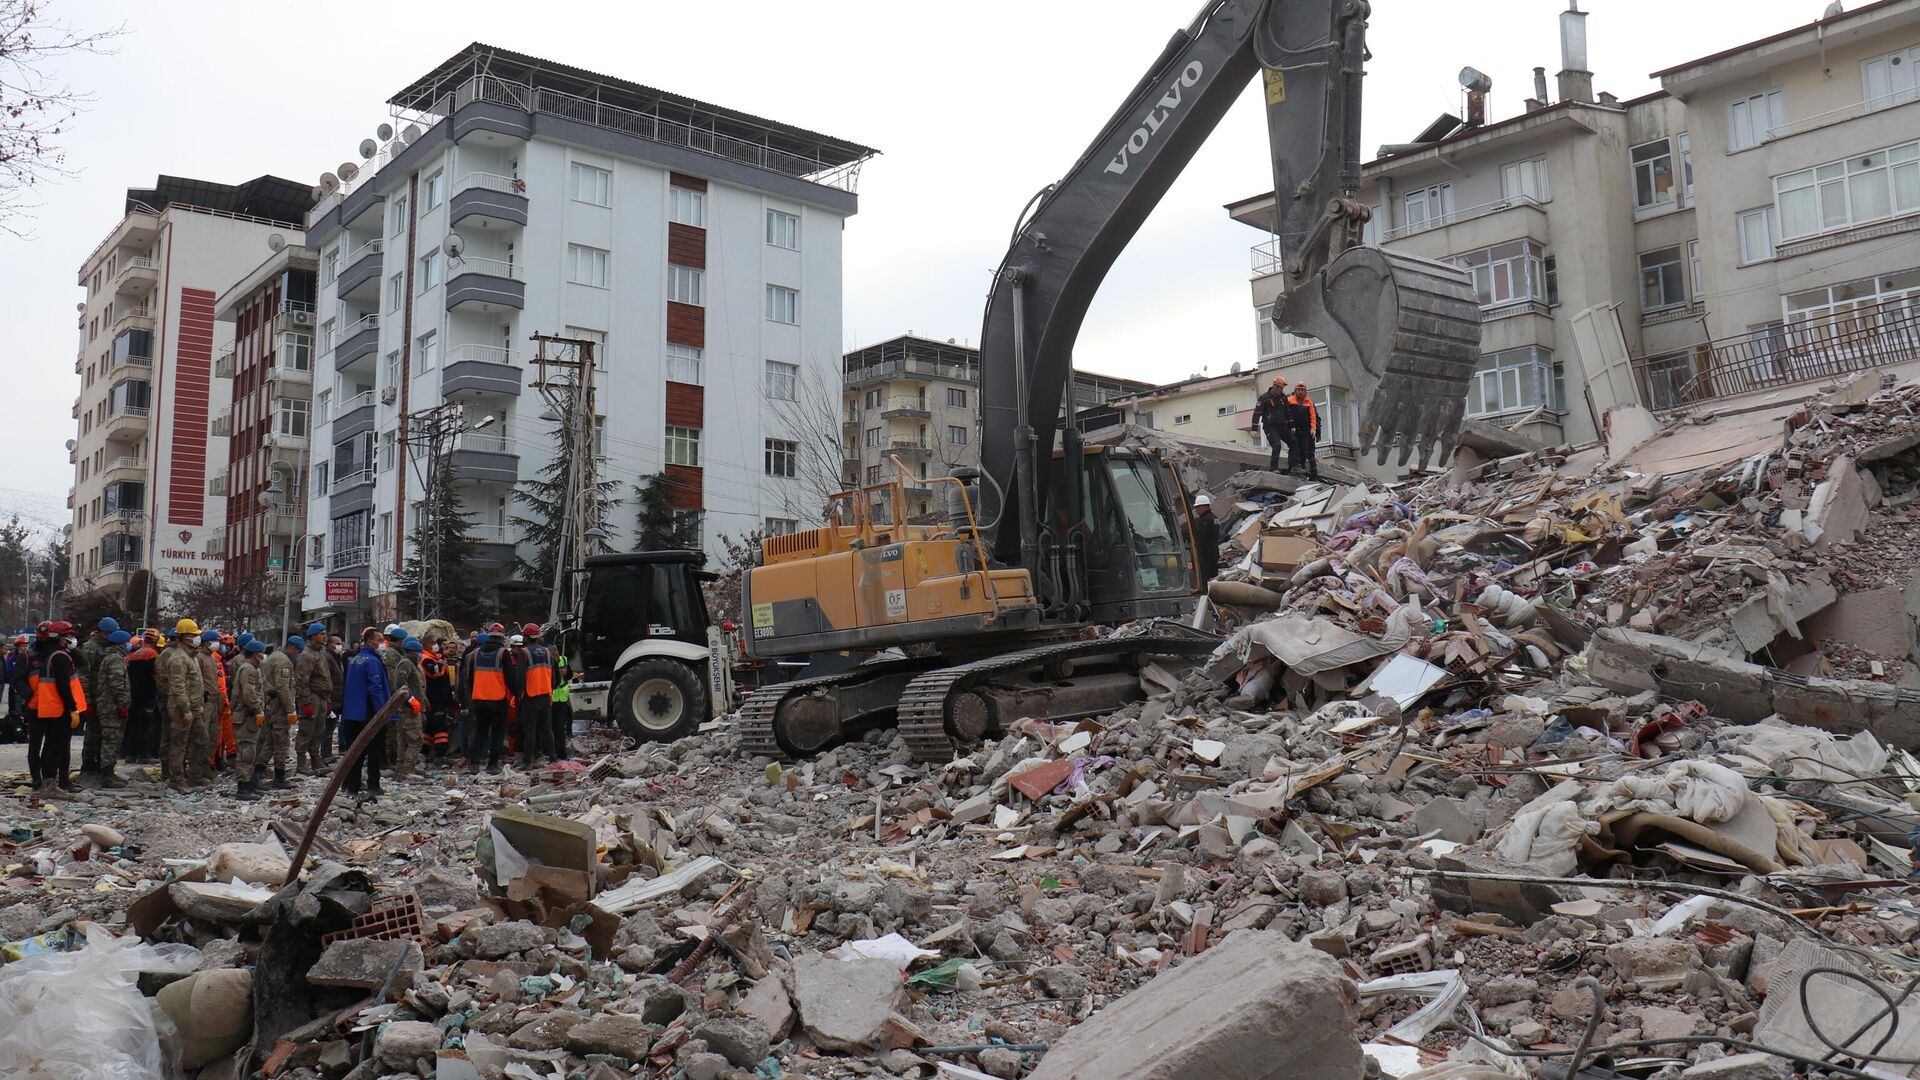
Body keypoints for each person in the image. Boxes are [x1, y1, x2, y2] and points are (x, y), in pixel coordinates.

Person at [26, 621, 83, 796]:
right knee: (56, 747)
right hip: (59, 707)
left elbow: (82, 662)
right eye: (69, 635)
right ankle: (50, 785)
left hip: (51, 707)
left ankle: (48, 783)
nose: (72, 638)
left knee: (51, 746)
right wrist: (72, 708)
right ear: (60, 637)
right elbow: (63, 686)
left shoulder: (50, 653)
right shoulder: (59, 656)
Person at [340, 627, 392, 799]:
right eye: (379, 639)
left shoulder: (355, 659)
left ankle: (352, 786)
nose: (382, 643)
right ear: (371, 641)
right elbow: (375, 687)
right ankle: (373, 785)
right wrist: (382, 712)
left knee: (355, 751)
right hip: (368, 713)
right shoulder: (372, 661)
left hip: (353, 712)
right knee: (374, 751)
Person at [157, 619, 208, 791]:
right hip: (181, 709)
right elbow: (178, 687)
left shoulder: (192, 657)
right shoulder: (178, 658)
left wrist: (198, 706)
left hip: (194, 708)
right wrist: (186, 709)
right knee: (179, 744)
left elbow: (196, 685)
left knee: (200, 741)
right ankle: (176, 779)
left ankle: (195, 775)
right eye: (193, 635)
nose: (196, 638)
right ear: (183, 637)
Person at [460, 627, 517, 774]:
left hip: (479, 699)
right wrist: (518, 694)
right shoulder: (502, 653)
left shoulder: (476, 653)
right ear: (502, 637)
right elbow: (510, 677)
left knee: (480, 732)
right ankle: (492, 765)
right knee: (497, 734)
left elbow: (470, 678)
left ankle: (475, 764)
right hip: (497, 700)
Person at [75, 616, 116, 777]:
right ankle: (88, 766)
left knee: (104, 734)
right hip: (93, 696)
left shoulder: (108, 647)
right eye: (109, 633)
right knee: (92, 734)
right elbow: (83, 676)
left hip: (105, 697)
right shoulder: (90, 648)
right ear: (102, 632)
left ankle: (101, 766)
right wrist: (88, 701)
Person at [91, 629, 132, 788]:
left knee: (113, 739)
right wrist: (122, 704)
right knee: (111, 739)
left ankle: (110, 772)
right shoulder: (114, 659)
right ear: (120, 644)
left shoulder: (112, 657)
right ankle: (107, 775)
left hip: (109, 705)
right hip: (111, 707)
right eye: (126, 642)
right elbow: (117, 685)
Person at [229, 639, 267, 801]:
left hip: (249, 716)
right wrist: (258, 709)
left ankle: (249, 783)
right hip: (246, 717)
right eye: (262, 653)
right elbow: (249, 694)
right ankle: (243, 788)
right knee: (246, 752)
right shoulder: (248, 670)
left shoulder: (252, 668)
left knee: (251, 751)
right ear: (256, 654)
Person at [259, 633, 297, 790]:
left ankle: (257, 772)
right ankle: (279, 776)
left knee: (269, 740)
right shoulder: (284, 662)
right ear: (292, 648)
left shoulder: (274, 656)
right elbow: (283, 687)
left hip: (270, 704)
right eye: (297, 651)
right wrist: (290, 710)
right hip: (279, 707)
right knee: (281, 742)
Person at [293, 630, 332, 774]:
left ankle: (316, 760)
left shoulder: (320, 653)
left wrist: (327, 699)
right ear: (313, 636)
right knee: (306, 730)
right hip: (311, 696)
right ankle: (301, 763)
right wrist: (306, 702)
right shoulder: (306, 655)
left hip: (321, 696)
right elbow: (302, 681)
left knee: (318, 731)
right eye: (321, 634)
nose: (324, 636)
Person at [517, 623, 555, 768]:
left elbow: (520, 677)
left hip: (530, 695)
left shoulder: (524, 652)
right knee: (547, 728)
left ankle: (527, 761)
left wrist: (518, 695)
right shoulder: (546, 652)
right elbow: (552, 675)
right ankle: (552, 758)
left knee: (530, 729)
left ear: (525, 636)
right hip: (545, 694)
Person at [393, 637, 428, 778]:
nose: (420, 654)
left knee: (404, 741)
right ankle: (407, 770)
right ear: (410, 652)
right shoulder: (406, 663)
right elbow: (400, 686)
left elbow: (415, 686)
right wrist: (412, 701)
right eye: (417, 652)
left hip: (410, 708)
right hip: (409, 710)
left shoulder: (412, 664)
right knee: (415, 741)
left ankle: (400, 771)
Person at [196, 628, 227, 779]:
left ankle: (208, 766)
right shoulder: (199, 658)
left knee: (214, 736)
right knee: (203, 735)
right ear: (207, 642)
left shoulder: (214, 660)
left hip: (214, 700)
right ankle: (199, 770)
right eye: (216, 641)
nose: (218, 644)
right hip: (205, 701)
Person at [125, 631, 160, 762]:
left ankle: (131, 754)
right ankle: (144, 754)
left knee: (134, 724)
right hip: (148, 694)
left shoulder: (135, 654)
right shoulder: (152, 654)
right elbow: (155, 676)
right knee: (146, 725)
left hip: (134, 694)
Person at [421, 640, 454, 764]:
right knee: (440, 726)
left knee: (430, 727)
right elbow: (434, 673)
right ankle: (441, 754)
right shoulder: (426, 658)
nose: (436, 646)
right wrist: (441, 663)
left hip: (438, 697)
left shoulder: (435, 657)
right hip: (434, 698)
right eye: (432, 643)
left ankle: (425, 752)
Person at [1284, 381, 1321, 480]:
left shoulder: (1309, 402)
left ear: (1305, 392)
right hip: (1293, 430)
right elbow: (1286, 414)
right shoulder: (1290, 400)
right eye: (1299, 390)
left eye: (1302, 390)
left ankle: (1303, 471)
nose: (1300, 392)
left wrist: (1313, 429)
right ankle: (1292, 468)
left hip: (1305, 431)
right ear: (1295, 391)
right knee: (1294, 449)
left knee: (1305, 451)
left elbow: (1313, 416)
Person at [1253, 376, 1291, 472]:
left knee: (1294, 442)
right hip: (1270, 426)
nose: (1281, 390)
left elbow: (1288, 412)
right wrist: (1254, 429)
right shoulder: (1264, 398)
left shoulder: (1283, 398)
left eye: (1282, 388)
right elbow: (1256, 413)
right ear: (1275, 386)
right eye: (1280, 388)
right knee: (1277, 444)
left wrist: (1292, 426)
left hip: (1282, 426)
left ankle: (1294, 466)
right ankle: (1274, 467)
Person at [4, 634, 31, 743]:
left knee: (25, 710)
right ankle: (17, 729)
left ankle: (26, 729)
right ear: (18, 647)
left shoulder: (29, 658)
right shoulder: (12, 659)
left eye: (26, 646)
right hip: (15, 688)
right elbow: (9, 673)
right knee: (16, 710)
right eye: (22, 646)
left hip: (25, 689)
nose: (25, 648)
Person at [1190, 493, 1220, 582]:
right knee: (1213, 576)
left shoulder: (1205, 520)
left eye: (1197, 507)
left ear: (1203, 507)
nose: (1196, 510)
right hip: (1214, 552)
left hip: (1206, 555)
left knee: (1205, 578)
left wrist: (1197, 552)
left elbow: (1202, 539)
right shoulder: (1215, 518)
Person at [549, 647, 572, 761]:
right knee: (552, 728)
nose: (555, 655)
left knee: (559, 728)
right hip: (551, 699)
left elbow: (569, 675)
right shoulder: (548, 661)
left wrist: (563, 672)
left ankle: (561, 753)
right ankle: (552, 753)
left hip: (561, 699)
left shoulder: (564, 659)